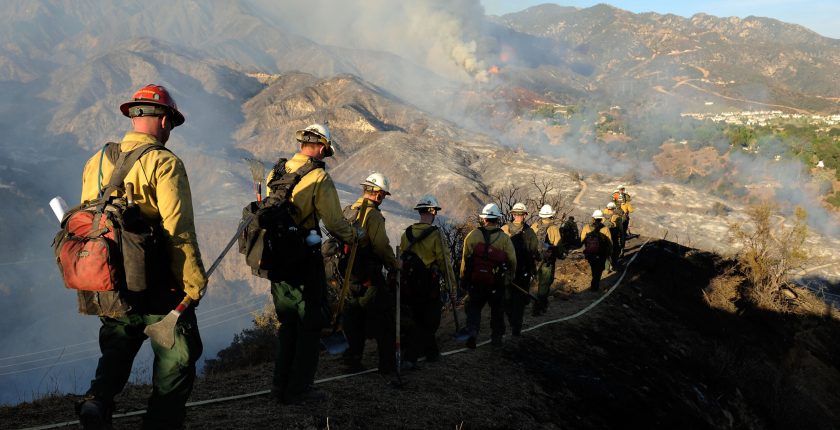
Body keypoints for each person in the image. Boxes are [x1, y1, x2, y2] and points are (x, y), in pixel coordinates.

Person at [76, 84, 207, 429]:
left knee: (117, 348)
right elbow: (178, 231)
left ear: (134, 117)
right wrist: (193, 283)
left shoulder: (98, 159)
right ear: (164, 121)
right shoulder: (164, 163)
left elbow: (89, 219)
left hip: (109, 278)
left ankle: (97, 402)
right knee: (178, 357)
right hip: (156, 282)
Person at [265, 123, 357, 404]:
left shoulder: (276, 172)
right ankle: (300, 389)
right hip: (304, 260)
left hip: (277, 261)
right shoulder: (318, 177)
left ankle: (279, 388)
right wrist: (354, 235)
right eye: (325, 152)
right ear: (319, 148)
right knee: (309, 324)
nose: (325, 157)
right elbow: (334, 222)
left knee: (288, 324)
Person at [340, 173, 399, 374]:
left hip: (349, 275)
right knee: (385, 321)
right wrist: (394, 264)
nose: (383, 199)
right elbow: (381, 246)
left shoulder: (349, 210)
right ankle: (388, 366)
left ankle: (352, 360)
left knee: (354, 319)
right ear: (379, 194)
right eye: (383, 195)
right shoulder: (372, 215)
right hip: (369, 276)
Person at [399, 195, 456, 368]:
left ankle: (430, 352)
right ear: (431, 211)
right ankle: (411, 357)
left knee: (414, 318)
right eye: (435, 211)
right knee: (430, 321)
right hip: (427, 285)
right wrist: (451, 286)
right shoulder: (436, 234)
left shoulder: (406, 233)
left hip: (407, 285)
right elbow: (444, 261)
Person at [460, 203, 516, 348]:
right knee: (497, 310)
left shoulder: (472, 236)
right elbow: (512, 260)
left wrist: (464, 279)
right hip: (496, 283)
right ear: (498, 219)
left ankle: (472, 334)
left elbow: (465, 259)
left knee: (474, 308)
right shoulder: (504, 238)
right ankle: (496, 338)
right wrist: (509, 278)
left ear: (483, 219)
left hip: (476, 281)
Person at [501, 202, 541, 336]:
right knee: (517, 301)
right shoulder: (529, 232)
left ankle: (514, 324)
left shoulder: (504, 229)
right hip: (521, 272)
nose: (518, 216)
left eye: (520, 214)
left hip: (507, 271)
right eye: (518, 214)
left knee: (508, 300)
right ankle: (516, 326)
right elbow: (534, 251)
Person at [530, 204, 563, 316]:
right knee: (545, 284)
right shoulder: (553, 228)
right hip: (547, 262)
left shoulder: (534, 226)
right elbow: (558, 245)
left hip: (535, 260)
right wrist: (560, 255)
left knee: (537, 282)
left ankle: (539, 304)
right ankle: (539, 307)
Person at [580, 210, 613, 292]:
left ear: (593, 218)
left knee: (594, 267)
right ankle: (594, 287)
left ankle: (594, 282)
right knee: (598, 270)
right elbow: (609, 243)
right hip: (601, 254)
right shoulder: (605, 229)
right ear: (601, 219)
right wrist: (609, 253)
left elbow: (582, 240)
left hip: (590, 253)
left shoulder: (586, 227)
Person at [603, 202, 625, 270]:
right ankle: (613, 266)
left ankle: (606, 268)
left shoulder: (602, 217)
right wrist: (622, 241)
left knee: (606, 252)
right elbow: (621, 231)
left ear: (607, 208)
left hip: (604, 238)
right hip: (614, 238)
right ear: (614, 208)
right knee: (616, 251)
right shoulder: (617, 218)